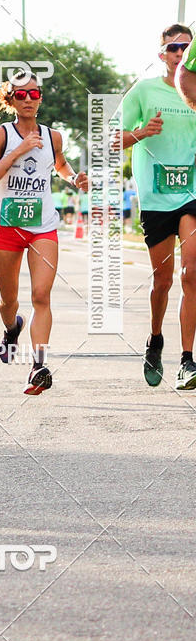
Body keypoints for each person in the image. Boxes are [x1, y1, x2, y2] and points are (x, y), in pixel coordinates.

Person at [0, 71, 88, 395]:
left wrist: (72, 179)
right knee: (7, 300)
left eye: (35, 94)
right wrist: (18, 151)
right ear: (10, 99)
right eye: (22, 94)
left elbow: (61, 163)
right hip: (8, 227)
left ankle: (38, 365)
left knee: (41, 295)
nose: (29, 99)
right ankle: (11, 329)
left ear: (41, 98)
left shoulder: (53, 136)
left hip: (43, 226)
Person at [122, 23, 196, 390]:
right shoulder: (144, 90)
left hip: (192, 193)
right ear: (161, 54)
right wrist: (141, 133)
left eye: (186, 47)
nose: (180, 53)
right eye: (173, 48)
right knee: (163, 281)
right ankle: (155, 340)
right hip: (155, 196)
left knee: (192, 273)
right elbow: (110, 139)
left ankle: (188, 359)